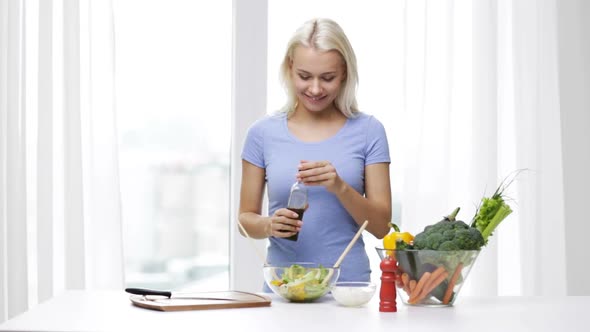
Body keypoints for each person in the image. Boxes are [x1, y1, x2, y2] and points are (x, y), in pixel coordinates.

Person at [238, 18, 392, 288]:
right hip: (284, 287)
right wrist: (269, 225)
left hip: (348, 290)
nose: (316, 89)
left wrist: (339, 187)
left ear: (344, 72)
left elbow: (381, 227)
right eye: (305, 76)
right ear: (289, 68)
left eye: (328, 78)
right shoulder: (262, 133)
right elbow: (244, 220)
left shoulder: (369, 131)